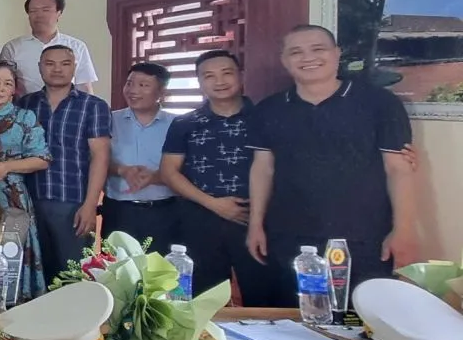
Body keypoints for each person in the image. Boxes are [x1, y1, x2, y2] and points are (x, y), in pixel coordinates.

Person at [246, 25, 417, 305]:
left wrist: (404, 229)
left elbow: (398, 169)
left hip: (364, 236)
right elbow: (263, 169)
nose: (307, 58)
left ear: (337, 54)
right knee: (293, 317)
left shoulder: (380, 103)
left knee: (360, 317)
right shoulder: (268, 109)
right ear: (284, 60)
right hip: (288, 235)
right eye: (296, 52)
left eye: (318, 49)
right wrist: (255, 224)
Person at [160, 50, 272, 304]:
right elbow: (168, 172)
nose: (219, 81)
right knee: (203, 300)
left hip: (257, 221)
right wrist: (214, 204)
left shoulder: (265, 118)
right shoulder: (185, 123)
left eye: (226, 73)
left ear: (241, 75)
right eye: (209, 76)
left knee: (264, 297)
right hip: (200, 220)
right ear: (200, 81)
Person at [15, 45, 110, 285]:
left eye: (65, 63)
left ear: (74, 67)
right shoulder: (26, 104)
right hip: (30, 202)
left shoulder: (93, 106)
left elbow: (100, 157)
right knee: (35, 277)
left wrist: (90, 205)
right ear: (39, 67)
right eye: (50, 63)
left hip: (73, 203)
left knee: (72, 277)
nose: (57, 69)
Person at [0, 61, 50, 302]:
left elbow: (42, 159)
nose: (0, 88)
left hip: (11, 196)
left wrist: (5, 167)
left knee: (10, 253)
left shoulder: (24, 117)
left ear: (13, 90)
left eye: (7, 83)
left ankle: (14, 304)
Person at [102, 63, 178, 254]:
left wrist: (156, 177)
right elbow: (94, 160)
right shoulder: (108, 120)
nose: (133, 90)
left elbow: (188, 168)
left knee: (160, 268)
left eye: (143, 85)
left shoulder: (177, 124)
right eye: (129, 83)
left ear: (162, 92)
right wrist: (122, 170)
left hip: (164, 212)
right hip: (118, 211)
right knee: (114, 267)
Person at [0, 0, 97, 95]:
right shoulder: (12, 47)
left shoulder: (77, 46)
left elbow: (84, 86)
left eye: (45, 10)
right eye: (33, 11)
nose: (39, 15)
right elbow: (4, 84)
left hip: (68, 104)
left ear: (59, 13)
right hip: (25, 104)